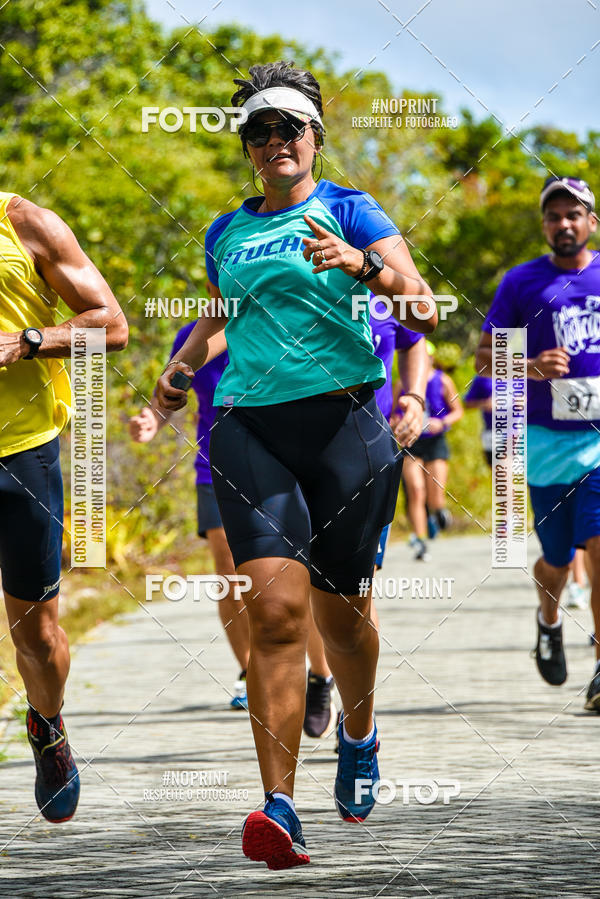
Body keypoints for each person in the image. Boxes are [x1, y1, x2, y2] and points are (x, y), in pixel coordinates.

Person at [156, 60, 436, 869]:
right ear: (247, 146)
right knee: (276, 614)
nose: (275, 139)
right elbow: (219, 314)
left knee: (343, 616)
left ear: (315, 136)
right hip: (251, 429)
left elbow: (418, 303)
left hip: (347, 426)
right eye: (260, 129)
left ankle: (358, 731)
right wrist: (178, 369)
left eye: (290, 127)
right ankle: (279, 805)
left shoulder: (351, 209)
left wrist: (363, 266)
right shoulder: (226, 231)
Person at [0, 192, 128, 822]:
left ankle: (46, 725)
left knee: (38, 636)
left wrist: (26, 340)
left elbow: (112, 324)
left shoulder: (26, 223)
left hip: (21, 452)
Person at [475, 175, 600, 707]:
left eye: (574, 214)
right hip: (548, 443)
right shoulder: (522, 282)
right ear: (545, 225)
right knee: (555, 558)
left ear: (592, 222)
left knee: (598, 548)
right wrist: (528, 367)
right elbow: (484, 357)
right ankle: (549, 618)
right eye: (554, 216)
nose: (564, 224)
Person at [304, 299, 428, 741]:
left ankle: (355, 710)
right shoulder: (290, 270)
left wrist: (413, 397)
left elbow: (417, 339)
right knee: (299, 581)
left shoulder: (382, 283)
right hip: (293, 453)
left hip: (366, 456)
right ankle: (320, 678)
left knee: (354, 590)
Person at [130, 327, 251, 709]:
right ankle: (251, 671)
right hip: (215, 464)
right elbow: (170, 395)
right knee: (230, 571)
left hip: (283, 460)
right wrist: (152, 418)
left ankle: (307, 668)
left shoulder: (281, 310)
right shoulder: (192, 335)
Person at [396, 342, 463, 561]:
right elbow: (389, 413)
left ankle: (436, 514)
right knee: (415, 490)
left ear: (432, 359)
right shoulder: (401, 384)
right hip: (411, 442)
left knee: (436, 496)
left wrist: (441, 423)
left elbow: (458, 411)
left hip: (435, 441)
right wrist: (395, 422)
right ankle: (421, 539)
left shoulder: (443, 381)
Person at [463, 375, 494, 468]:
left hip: (518, 429)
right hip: (492, 432)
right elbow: (467, 403)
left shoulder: (521, 372)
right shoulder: (483, 377)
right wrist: (485, 404)